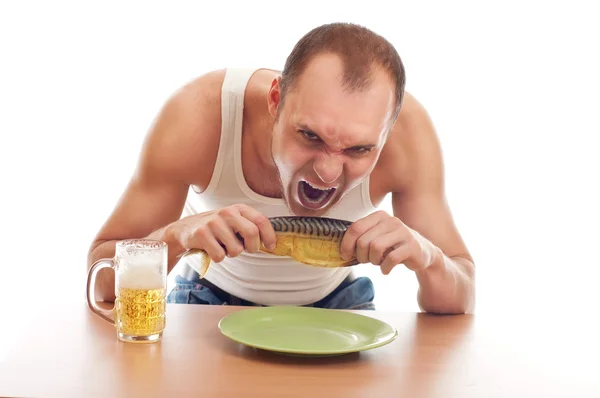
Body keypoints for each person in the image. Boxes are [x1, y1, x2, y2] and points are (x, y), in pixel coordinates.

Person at [87, 22, 475, 314]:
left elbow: (462, 297)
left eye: (358, 149)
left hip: (339, 304)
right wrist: (176, 236)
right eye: (309, 136)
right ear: (275, 100)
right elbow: (102, 283)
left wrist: (430, 258)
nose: (326, 172)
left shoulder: (410, 138)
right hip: (205, 298)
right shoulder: (198, 116)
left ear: (388, 133)